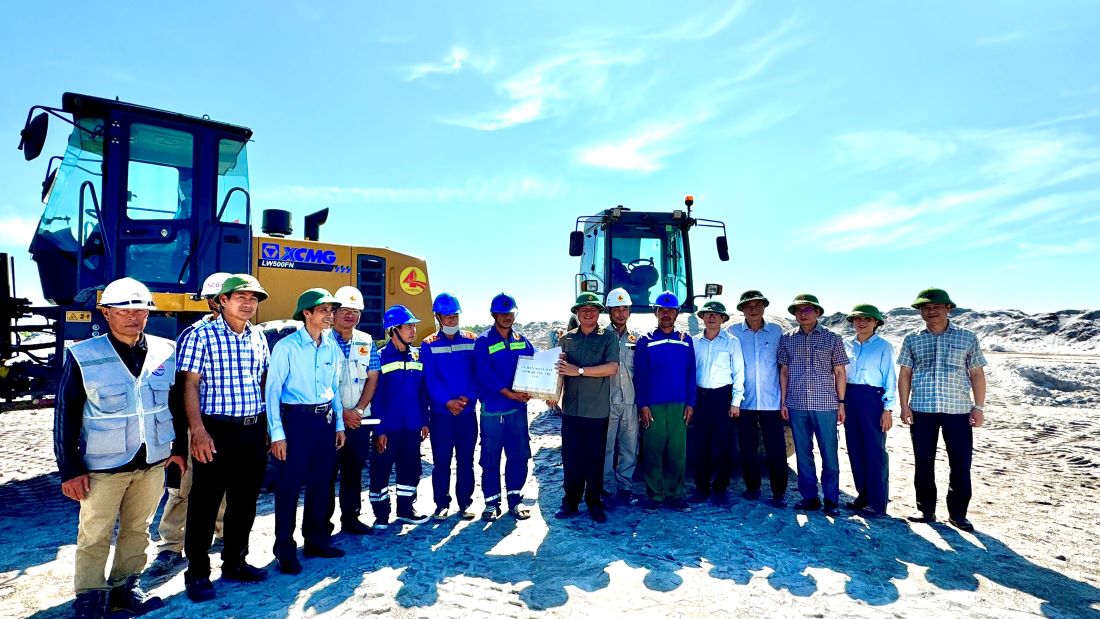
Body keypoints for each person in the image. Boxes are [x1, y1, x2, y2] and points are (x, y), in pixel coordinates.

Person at [54, 277, 182, 618]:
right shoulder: (84, 355)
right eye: (123, 310)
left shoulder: (165, 350)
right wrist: (70, 469)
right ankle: (90, 597)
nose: (133, 317)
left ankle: (125, 589)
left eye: (140, 310)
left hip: (151, 461)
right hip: (102, 466)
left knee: (137, 529)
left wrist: (178, 449)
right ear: (106, 313)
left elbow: (175, 404)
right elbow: (66, 413)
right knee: (94, 533)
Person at [179, 274, 271, 602]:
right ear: (222, 300)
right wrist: (198, 432)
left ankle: (234, 561)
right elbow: (189, 385)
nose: (248, 303)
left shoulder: (258, 336)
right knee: (204, 503)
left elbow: (262, 381)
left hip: (251, 428)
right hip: (215, 431)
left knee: (244, 502)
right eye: (240, 297)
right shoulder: (200, 335)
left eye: (253, 298)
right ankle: (197, 573)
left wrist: (267, 428)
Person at [147, 272, 229, 579]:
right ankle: (171, 546)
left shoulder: (249, 336)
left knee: (223, 486)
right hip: (198, 426)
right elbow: (179, 390)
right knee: (183, 487)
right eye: (220, 298)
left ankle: (222, 533)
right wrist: (183, 441)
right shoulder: (193, 336)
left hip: (229, 427)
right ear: (211, 302)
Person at [266, 289, 347, 574]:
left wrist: (338, 424)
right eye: (323, 309)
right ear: (306, 314)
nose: (330, 314)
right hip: (295, 422)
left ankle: (315, 541)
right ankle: (285, 551)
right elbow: (273, 391)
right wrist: (277, 434)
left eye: (331, 310)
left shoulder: (331, 347)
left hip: (323, 421)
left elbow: (334, 387)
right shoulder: (286, 347)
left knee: (322, 484)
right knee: (288, 488)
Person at [898, 288, 987, 532]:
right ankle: (925, 509)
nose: (931, 310)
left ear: (949, 308)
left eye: (937, 305)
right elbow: (905, 374)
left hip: (957, 410)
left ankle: (958, 514)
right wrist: (904, 406)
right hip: (922, 409)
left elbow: (977, 373)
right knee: (923, 461)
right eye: (925, 307)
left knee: (960, 463)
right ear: (920, 311)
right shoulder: (912, 338)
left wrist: (978, 407)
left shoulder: (967, 337)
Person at [778, 293, 849, 517]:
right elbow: (784, 371)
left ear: (817, 312)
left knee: (829, 452)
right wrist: (784, 401)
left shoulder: (832, 338)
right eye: (798, 310)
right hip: (797, 403)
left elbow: (839, 371)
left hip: (826, 404)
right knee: (803, 452)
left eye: (807, 309)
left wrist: (841, 403)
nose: (802, 313)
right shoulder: (787, 338)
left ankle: (831, 499)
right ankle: (809, 497)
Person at [554, 292, 619, 523]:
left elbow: (611, 368)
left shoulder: (608, 338)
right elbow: (559, 370)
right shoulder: (566, 339)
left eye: (593, 309)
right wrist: (552, 394)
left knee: (594, 460)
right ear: (576, 314)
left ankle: (594, 502)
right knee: (571, 459)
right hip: (571, 410)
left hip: (596, 411)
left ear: (599, 313)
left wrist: (579, 370)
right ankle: (570, 503)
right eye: (583, 309)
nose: (588, 312)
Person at [474, 293, 536, 521]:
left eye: (510, 313)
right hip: (493, 410)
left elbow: (536, 364)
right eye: (502, 313)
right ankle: (491, 503)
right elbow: (484, 374)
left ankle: (515, 501)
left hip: (517, 412)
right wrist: (508, 393)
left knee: (519, 456)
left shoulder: (521, 339)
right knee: (490, 457)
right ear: (493, 315)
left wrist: (538, 388)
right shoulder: (483, 341)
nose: (506, 317)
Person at [369, 305, 432, 528]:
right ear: (393, 330)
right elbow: (375, 398)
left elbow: (423, 393)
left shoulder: (418, 355)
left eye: (414, 326)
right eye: (408, 327)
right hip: (388, 428)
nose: (413, 331)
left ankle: (406, 509)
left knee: (411, 468)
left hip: (412, 426)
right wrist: (380, 430)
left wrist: (425, 421)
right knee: (380, 472)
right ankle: (381, 515)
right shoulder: (378, 358)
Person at [633, 291, 696, 513]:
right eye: (662, 310)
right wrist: (643, 404)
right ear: (656, 313)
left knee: (678, 451)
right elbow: (639, 375)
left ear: (677, 313)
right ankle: (655, 494)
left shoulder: (685, 340)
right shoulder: (645, 341)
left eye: (671, 310)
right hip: (654, 405)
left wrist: (691, 403)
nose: (666, 314)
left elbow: (691, 373)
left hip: (679, 404)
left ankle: (675, 494)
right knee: (653, 450)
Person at [327, 285, 381, 535]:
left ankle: (351, 518)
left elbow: (372, 378)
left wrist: (358, 410)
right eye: (345, 310)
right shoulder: (322, 339)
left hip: (359, 420)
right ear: (334, 312)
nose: (350, 316)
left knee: (353, 470)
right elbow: (324, 381)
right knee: (326, 473)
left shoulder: (366, 341)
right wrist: (343, 413)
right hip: (330, 420)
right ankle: (322, 526)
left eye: (355, 311)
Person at [421, 292, 479, 520]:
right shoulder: (428, 344)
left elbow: (477, 374)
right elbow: (429, 378)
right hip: (441, 415)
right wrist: (446, 401)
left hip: (466, 413)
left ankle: (465, 504)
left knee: (466, 461)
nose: (452, 320)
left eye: (455, 316)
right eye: (447, 316)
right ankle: (441, 505)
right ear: (438, 317)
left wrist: (466, 398)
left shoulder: (471, 340)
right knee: (441, 462)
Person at [728, 290, 788, 507]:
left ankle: (779, 492)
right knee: (747, 447)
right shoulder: (733, 332)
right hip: (745, 401)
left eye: (757, 305)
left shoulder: (777, 331)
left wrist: (784, 399)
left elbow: (783, 367)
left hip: (772, 401)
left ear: (764, 307)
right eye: (748, 306)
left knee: (776, 449)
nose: (753, 310)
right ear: (742, 310)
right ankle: (752, 487)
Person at [843, 304, 897, 517]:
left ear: (876, 322)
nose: (862, 322)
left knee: (875, 451)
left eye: (867, 319)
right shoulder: (846, 344)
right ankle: (862, 495)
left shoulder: (884, 346)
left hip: (873, 399)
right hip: (849, 397)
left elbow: (890, 378)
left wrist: (888, 409)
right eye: (857, 319)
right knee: (855, 448)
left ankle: (878, 501)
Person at [689, 300, 745, 507]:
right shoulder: (694, 342)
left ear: (723, 319)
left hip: (723, 397)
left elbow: (739, 372)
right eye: (707, 314)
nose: (711, 317)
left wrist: (735, 402)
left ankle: (720, 489)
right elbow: (690, 372)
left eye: (716, 314)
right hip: (701, 397)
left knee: (724, 445)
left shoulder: (731, 342)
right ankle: (701, 488)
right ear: (702, 318)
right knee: (700, 445)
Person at [603, 287, 641, 506]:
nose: (620, 313)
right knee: (606, 446)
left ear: (629, 311)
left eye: (624, 309)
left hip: (631, 402)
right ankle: (606, 487)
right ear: (609, 311)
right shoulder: (601, 337)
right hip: (606, 401)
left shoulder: (637, 338)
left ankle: (625, 487)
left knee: (629, 446)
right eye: (616, 309)